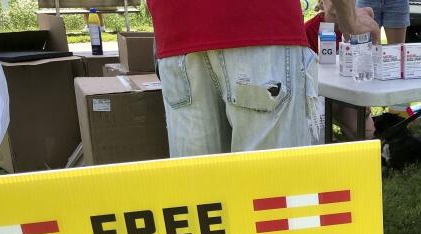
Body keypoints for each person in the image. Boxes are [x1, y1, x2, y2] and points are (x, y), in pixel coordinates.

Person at [147, 0, 379, 157]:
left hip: (175, 30)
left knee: (200, 194)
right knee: (271, 189)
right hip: (260, 22)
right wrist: (351, 22)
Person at [305, 0, 376, 140]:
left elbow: (366, 66)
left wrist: (364, 100)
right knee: (318, 134)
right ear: (321, 2)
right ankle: (324, 133)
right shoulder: (308, 29)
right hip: (318, 96)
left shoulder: (359, 27)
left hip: (348, 95)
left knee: (366, 132)